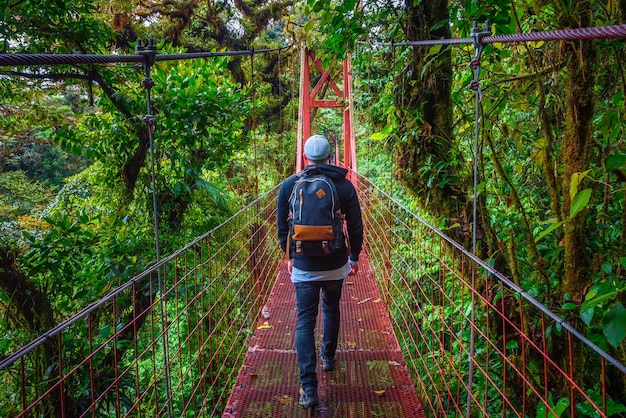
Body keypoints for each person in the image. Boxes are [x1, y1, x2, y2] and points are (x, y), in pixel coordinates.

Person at [277, 134, 363, 409]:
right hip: (335, 263)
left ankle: (309, 389)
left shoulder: (290, 185)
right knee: (332, 309)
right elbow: (357, 227)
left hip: (303, 266)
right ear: (330, 158)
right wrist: (354, 257)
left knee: (304, 322)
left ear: (305, 158)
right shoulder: (344, 186)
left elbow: (282, 228)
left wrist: (290, 255)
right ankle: (327, 357)